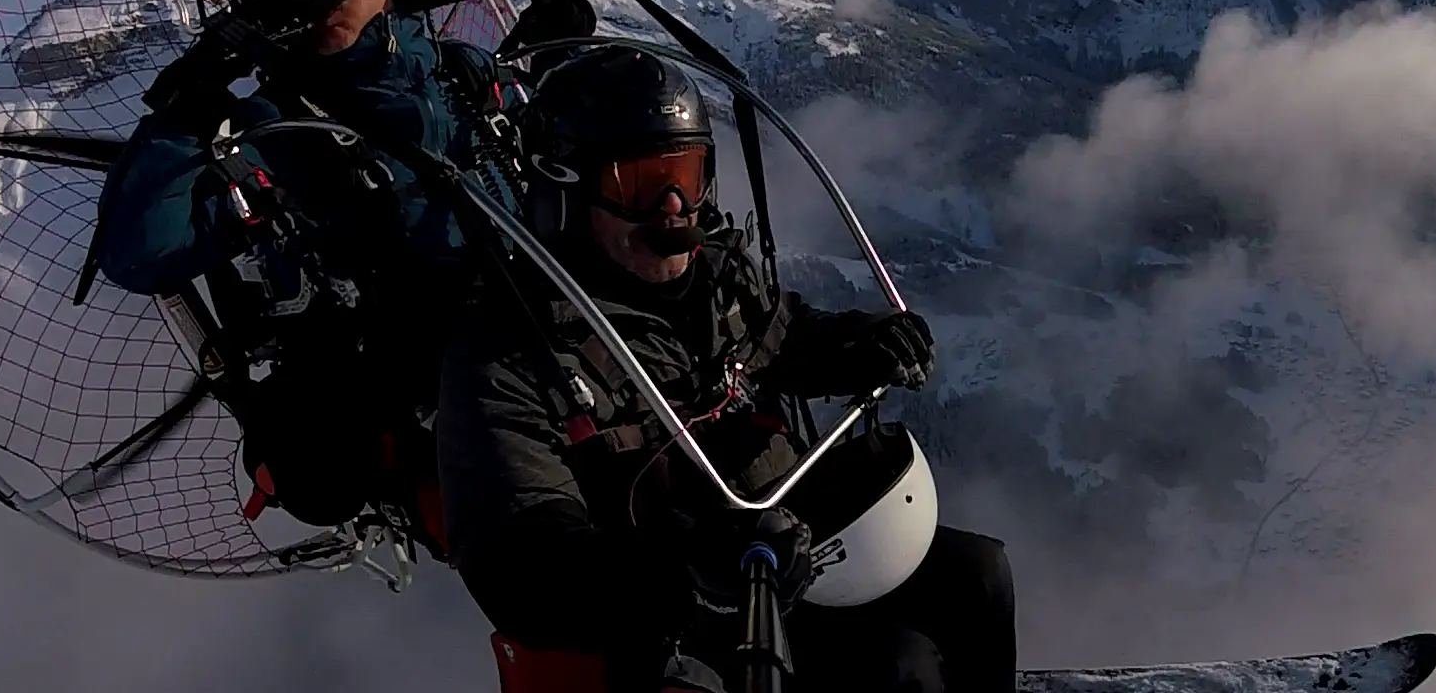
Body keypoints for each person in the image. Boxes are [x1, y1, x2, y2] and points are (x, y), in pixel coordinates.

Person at [436, 40, 1018, 693]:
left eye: (685, 178)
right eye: (643, 186)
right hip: (671, 617)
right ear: (566, 195)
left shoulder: (713, 281)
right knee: (895, 667)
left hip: (785, 540)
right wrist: (681, 567)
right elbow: (519, 563)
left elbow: (787, 338)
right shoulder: (510, 357)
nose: (674, 212)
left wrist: (864, 343)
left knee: (977, 575)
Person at [93, 0, 588, 545]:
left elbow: (564, 106)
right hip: (456, 428)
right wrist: (193, 94)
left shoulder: (462, 75)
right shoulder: (277, 129)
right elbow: (140, 250)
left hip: (572, 364)